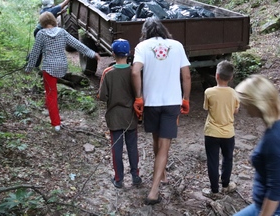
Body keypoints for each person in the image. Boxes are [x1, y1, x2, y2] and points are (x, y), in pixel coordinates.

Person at [131, 17, 191, 205]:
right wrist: (186, 99)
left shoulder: (142, 47)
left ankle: (162, 174)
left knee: (156, 139)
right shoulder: (177, 45)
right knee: (164, 145)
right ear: (163, 30)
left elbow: (135, 72)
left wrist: (139, 96)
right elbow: (187, 75)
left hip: (151, 102)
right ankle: (154, 190)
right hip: (172, 102)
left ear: (145, 31)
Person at [234, 75, 280, 216]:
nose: (243, 107)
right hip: (266, 205)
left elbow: (276, 188)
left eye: (246, 104)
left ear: (258, 105)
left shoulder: (275, 138)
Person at [25, 12, 101, 131]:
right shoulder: (62, 32)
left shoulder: (41, 34)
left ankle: (56, 124)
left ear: (42, 22)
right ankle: (52, 111)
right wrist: (92, 54)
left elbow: (35, 53)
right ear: (53, 21)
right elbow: (77, 44)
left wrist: (29, 68)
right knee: (52, 93)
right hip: (62, 66)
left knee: (51, 95)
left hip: (49, 67)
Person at [98, 39, 142, 189]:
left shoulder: (108, 73)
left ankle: (119, 179)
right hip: (131, 116)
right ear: (129, 54)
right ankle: (136, 176)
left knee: (116, 148)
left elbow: (102, 96)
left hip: (114, 116)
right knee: (132, 146)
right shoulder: (134, 72)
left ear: (112, 54)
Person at [202, 60, 239, 198]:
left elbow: (207, 108)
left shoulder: (209, 92)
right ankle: (225, 185)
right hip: (228, 133)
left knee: (212, 160)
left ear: (216, 75)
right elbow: (235, 111)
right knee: (227, 158)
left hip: (211, 132)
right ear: (231, 77)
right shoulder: (234, 93)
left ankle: (214, 190)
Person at [33, 0, 75, 67]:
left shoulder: (44, 10)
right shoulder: (52, 10)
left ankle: (30, 63)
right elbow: (63, 4)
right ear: (50, 4)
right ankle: (35, 65)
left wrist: (60, 13)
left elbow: (50, 16)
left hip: (37, 31)